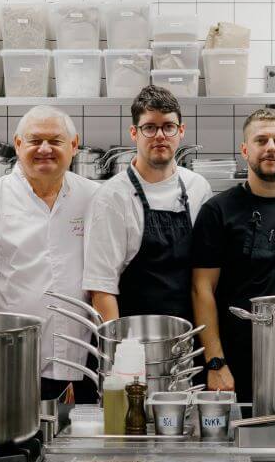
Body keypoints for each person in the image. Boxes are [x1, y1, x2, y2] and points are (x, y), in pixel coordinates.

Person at [0, 106, 101, 403]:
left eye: (56, 141)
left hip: (84, 358)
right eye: (35, 141)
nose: (45, 149)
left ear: (73, 146)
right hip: (13, 359)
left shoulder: (95, 198)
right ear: (18, 144)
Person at [191, 107, 275, 403]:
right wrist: (215, 362)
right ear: (245, 150)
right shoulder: (218, 211)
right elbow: (202, 289)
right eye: (261, 141)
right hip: (237, 361)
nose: (271, 148)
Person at [82, 86, 212, 322]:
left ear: (181, 131)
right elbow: (101, 289)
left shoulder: (198, 187)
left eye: (168, 126)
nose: (160, 135)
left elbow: (203, 276)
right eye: (149, 127)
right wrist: (117, 353)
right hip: (131, 337)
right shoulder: (111, 197)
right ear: (134, 133)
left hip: (186, 336)